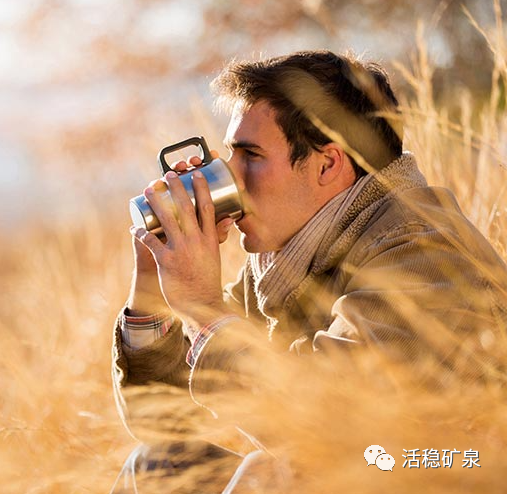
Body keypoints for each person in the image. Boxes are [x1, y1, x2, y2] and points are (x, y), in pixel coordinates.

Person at [110, 50, 507, 493]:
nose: (231, 178)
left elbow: (327, 428)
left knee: (273, 474)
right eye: (229, 156)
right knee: (156, 466)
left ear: (328, 164)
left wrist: (204, 309)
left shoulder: (424, 255)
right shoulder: (290, 262)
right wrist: (151, 281)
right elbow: (160, 419)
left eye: (251, 155)